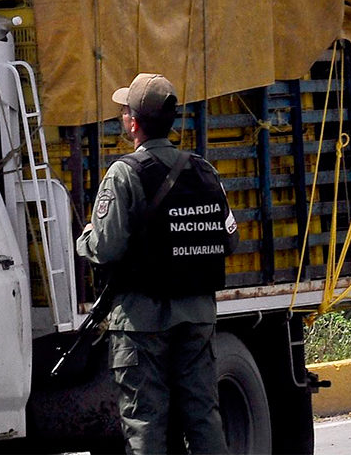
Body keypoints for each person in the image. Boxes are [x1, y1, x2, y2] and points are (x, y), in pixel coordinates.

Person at [76, 73, 236, 455]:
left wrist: (85, 239)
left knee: (146, 420)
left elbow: (106, 248)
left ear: (133, 122)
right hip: (196, 313)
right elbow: (229, 240)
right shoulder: (204, 171)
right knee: (203, 416)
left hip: (141, 320)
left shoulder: (124, 173)